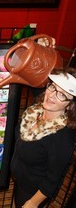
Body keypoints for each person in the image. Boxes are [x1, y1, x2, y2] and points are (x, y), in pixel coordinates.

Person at [11, 67, 76, 208]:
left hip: (32, 190)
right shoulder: (36, 110)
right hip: (20, 180)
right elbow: (32, 71)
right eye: (53, 87)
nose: (51, 95)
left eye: (62, 95)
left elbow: (53, 179)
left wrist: (33, 203)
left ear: (70, 106)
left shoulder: (62, 138)